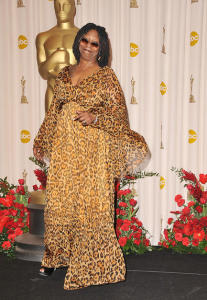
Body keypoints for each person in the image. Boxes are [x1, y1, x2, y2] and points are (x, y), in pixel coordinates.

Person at [33, 23, 150, 290]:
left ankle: (92, 263)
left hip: (92, 149)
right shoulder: (64, 73)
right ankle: (54, 257)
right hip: (65, 146)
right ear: (78, 42)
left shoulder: (106, 76)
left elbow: (120, 117)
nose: (87, 45)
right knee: (60, 202)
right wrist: (41, 139)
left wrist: (96, 116)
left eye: (94, 43)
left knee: (90, 205)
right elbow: (53, 111)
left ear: (101, 49)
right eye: (84, 40)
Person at [36, 0, 79, 112]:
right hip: (52, 92)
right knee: (51, 129)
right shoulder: (43, 37)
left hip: (77, 95)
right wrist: (54, 58)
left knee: (75, 129)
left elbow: (93, 72)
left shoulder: (84, 37)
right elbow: (43, 73)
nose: (61, 10)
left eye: (66, 5)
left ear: (74, 8)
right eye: (57, 5)